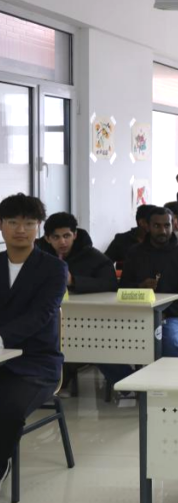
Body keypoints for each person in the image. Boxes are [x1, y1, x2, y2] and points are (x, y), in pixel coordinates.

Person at [0, 194, 68, 487]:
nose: (20, 229)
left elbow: (41, 315)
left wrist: (1, 339)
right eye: (12, 222)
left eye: (28, 223)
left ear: (38, 227)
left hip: (36, 363)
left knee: (7, 408)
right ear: (1, 225)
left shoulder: (53, 269)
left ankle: (1, 463)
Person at [119, 207, 178, 359]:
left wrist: (165, 313)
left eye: (167, 225)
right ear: (147, 226)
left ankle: (174, 375)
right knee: (108, 344)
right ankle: (132, 374)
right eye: (157, 226)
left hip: (171, 316)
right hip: (136, 313)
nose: (163, 231)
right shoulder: (134, 253)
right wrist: (140, 287)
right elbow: (122, 288)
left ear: (172, 226)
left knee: (171, 345)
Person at [38, 212, 118, 294]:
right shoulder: (38, 256)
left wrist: (73, 281)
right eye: (56, 237)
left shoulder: (95, 257)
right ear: (47, 239)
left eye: (66, 236)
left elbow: (111, 284)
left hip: (83, 302)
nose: (62, 242)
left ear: (74, 235)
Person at [104, 203, 156, 268]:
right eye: (155, 223)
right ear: (142, 222)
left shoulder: (160, 240)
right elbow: (104, 263)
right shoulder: (121, 240)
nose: (161, 229)